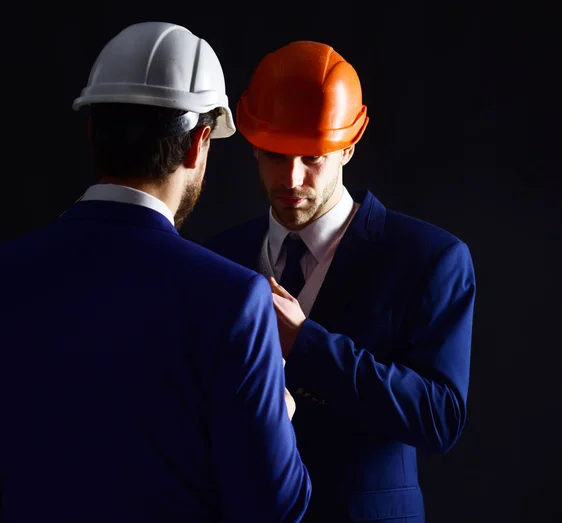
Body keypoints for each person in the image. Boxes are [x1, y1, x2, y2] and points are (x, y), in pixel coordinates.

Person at [0, 22, 311, 523]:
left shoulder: (7, 273)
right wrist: (279, 412)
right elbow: (274, 509)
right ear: (199, 143)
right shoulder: (234, 300)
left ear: (91, 132)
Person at [204, 40, 476, 523]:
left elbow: (440, 418)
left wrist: (305, 343)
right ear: (251, 146)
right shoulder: (217, 257)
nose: (291, 178)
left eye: (312, 158)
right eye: (273, 156)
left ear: (349, 146)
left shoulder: (430, 258)